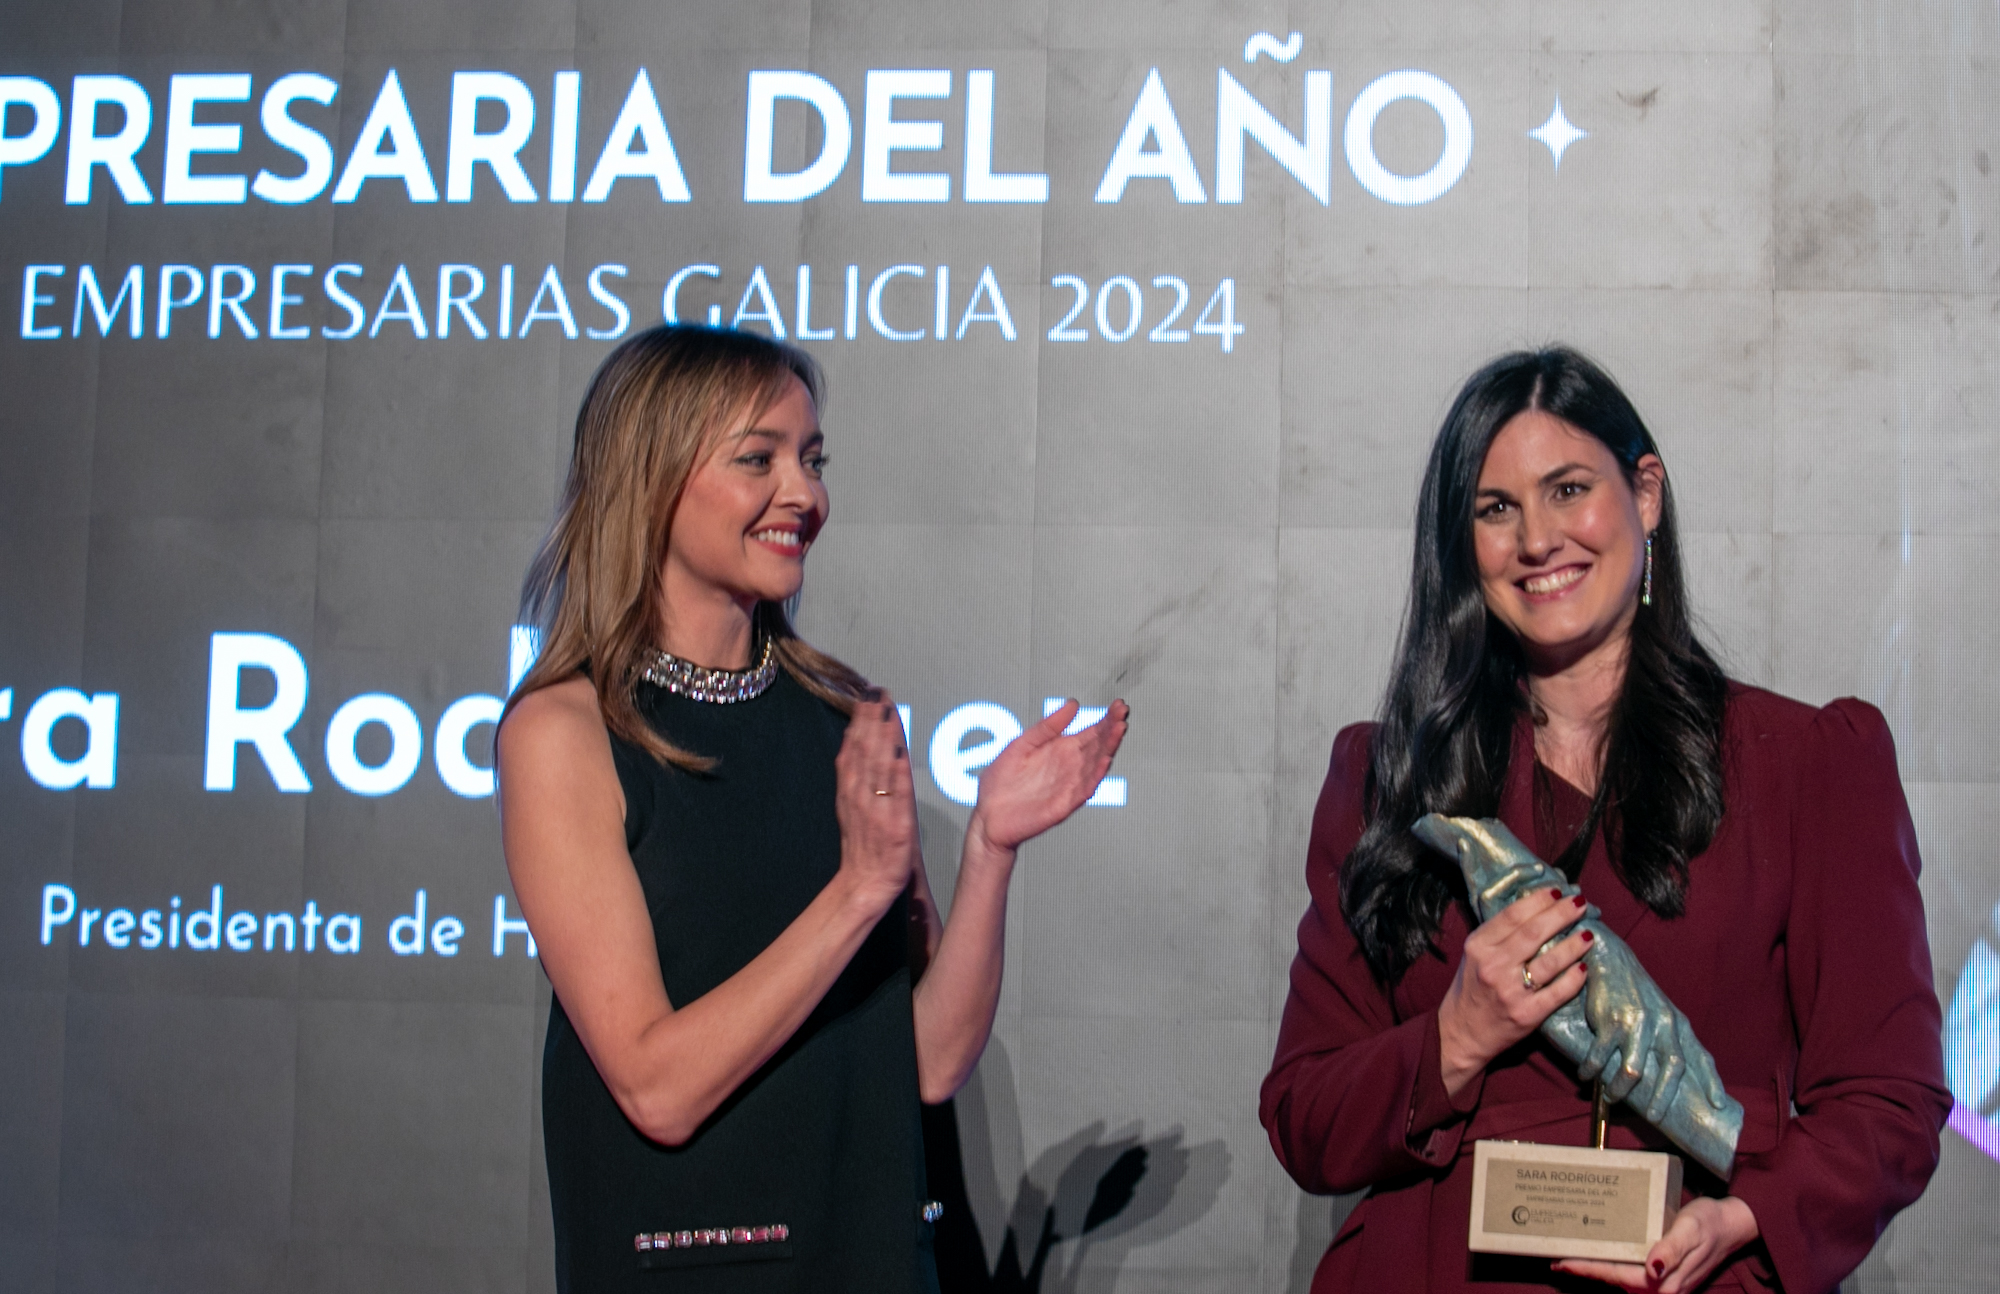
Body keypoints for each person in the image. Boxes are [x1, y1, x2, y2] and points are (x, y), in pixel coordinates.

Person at [1259, 346, 1949, 1294]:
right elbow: (1304, 1117)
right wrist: (1455, 1034)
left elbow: (1888, 1097)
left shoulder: (1807, 764)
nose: (1537, 539)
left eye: (1568, 490)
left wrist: (1747, 1216)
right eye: (1494, 509)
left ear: (1646, 494)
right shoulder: (1388, 782)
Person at [496, 324, 1127, 1293]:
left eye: (812, 460)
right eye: (759, 459)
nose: (804, 494)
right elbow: (656, 1087)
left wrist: (991, 848)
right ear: (649, 479)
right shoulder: (566, 730)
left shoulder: (844, 717)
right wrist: (856, 892)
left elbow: (927, 1061)